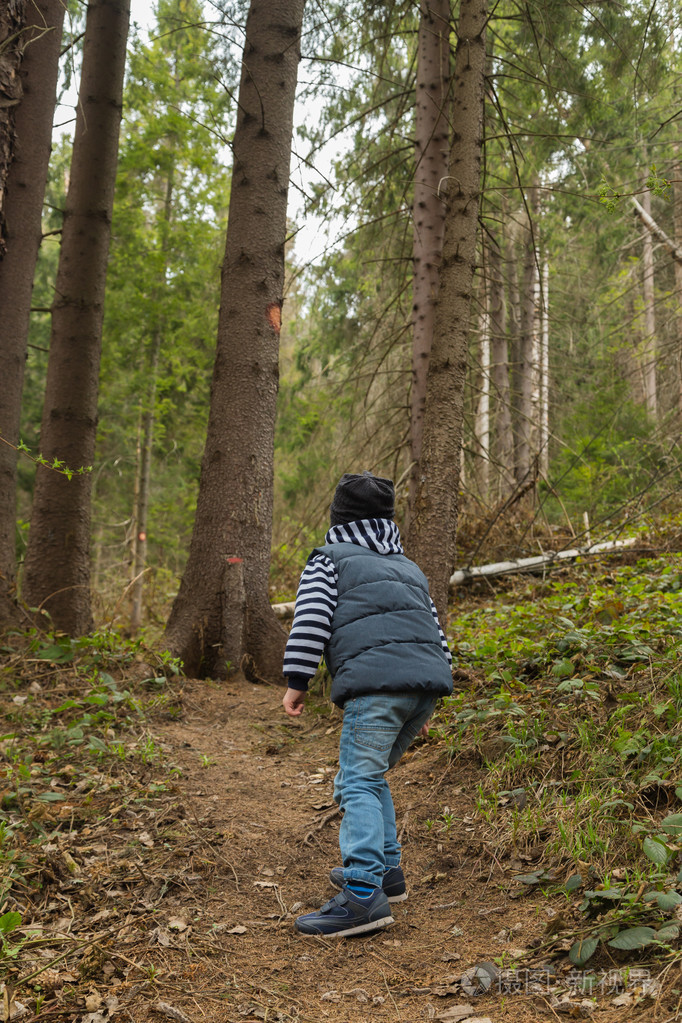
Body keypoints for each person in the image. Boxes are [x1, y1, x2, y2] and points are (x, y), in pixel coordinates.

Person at [282, 470, 453, 937]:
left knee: (355, 781)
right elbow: (435, 634)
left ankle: (361, 894)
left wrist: (297, 680)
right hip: (425, 686)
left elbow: (311, 620)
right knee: (371, 775)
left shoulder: (329, 560)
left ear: (338, 516)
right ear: (388, 519)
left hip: (376, 688)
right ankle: (389, 875)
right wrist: (425, 699)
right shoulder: (410, 567)